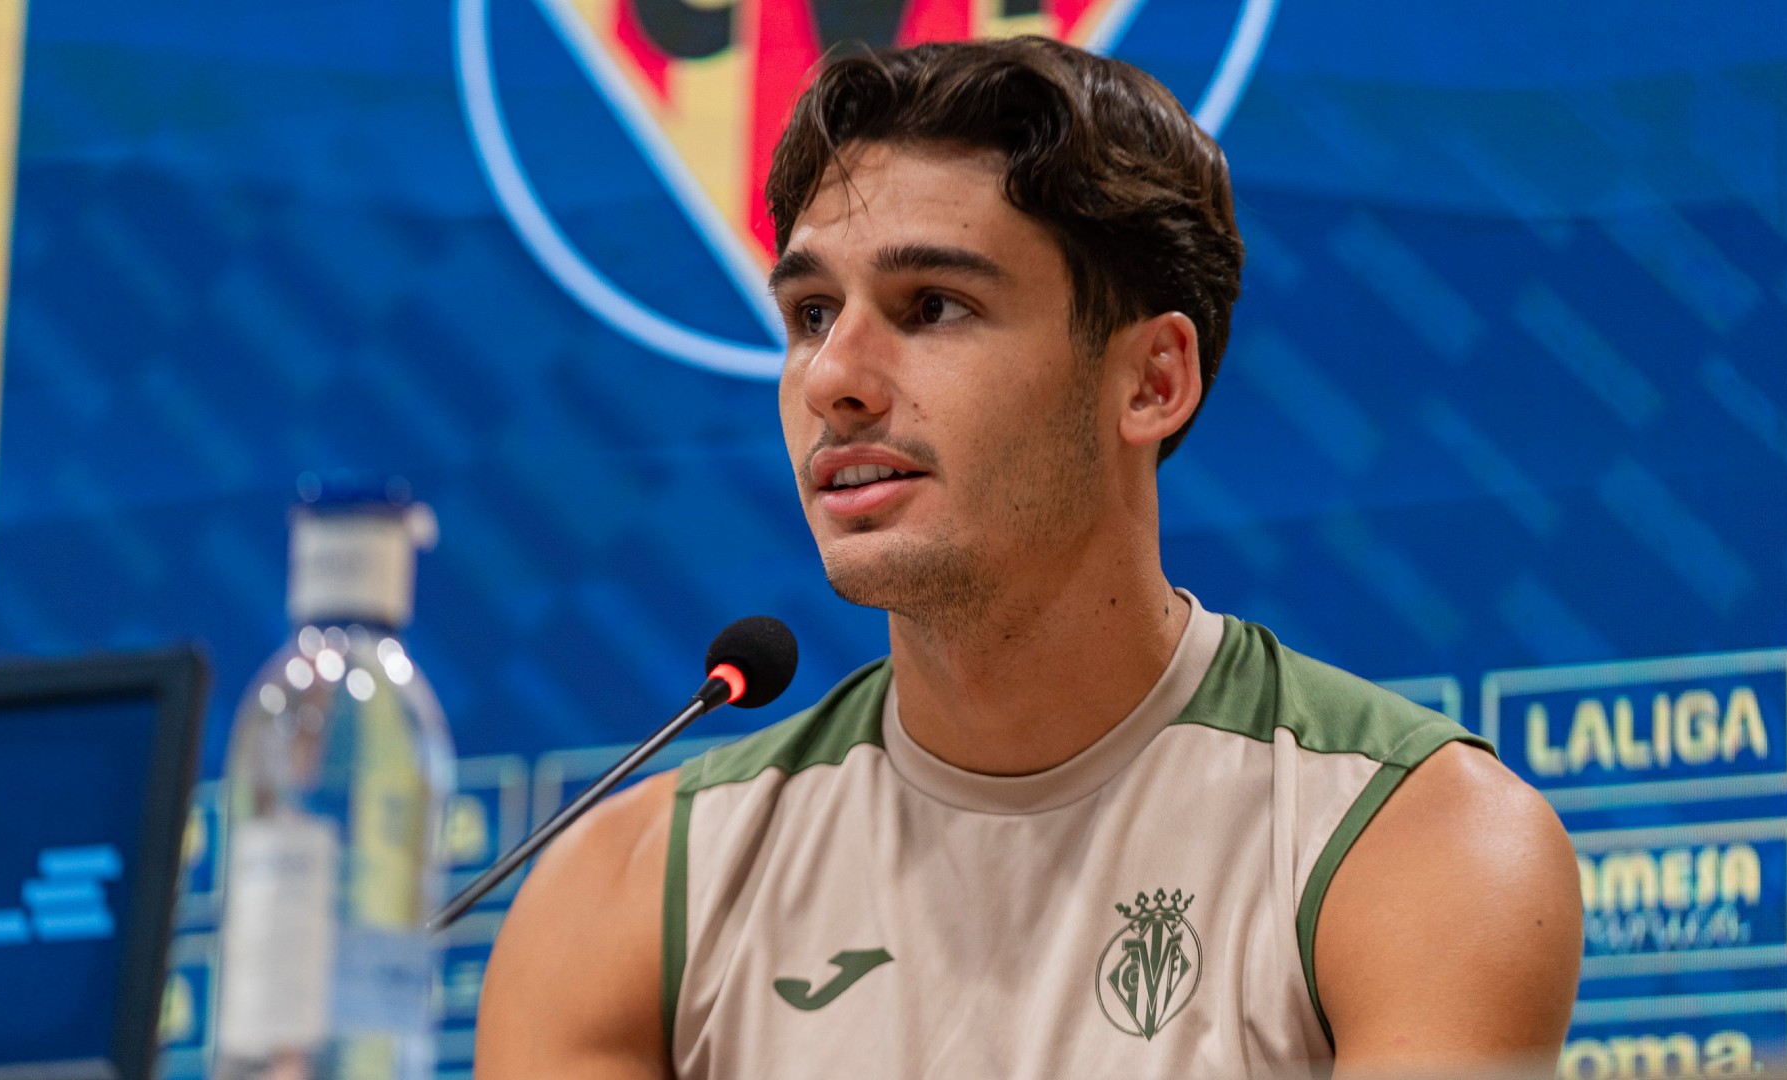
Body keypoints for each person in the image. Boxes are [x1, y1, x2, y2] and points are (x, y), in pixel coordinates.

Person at [476, 36, 1582, 1079]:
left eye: (933, 307)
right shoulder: (623, 894)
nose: (834, 379)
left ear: (1151, 381)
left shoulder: (1415, 845)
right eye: (811, 314)